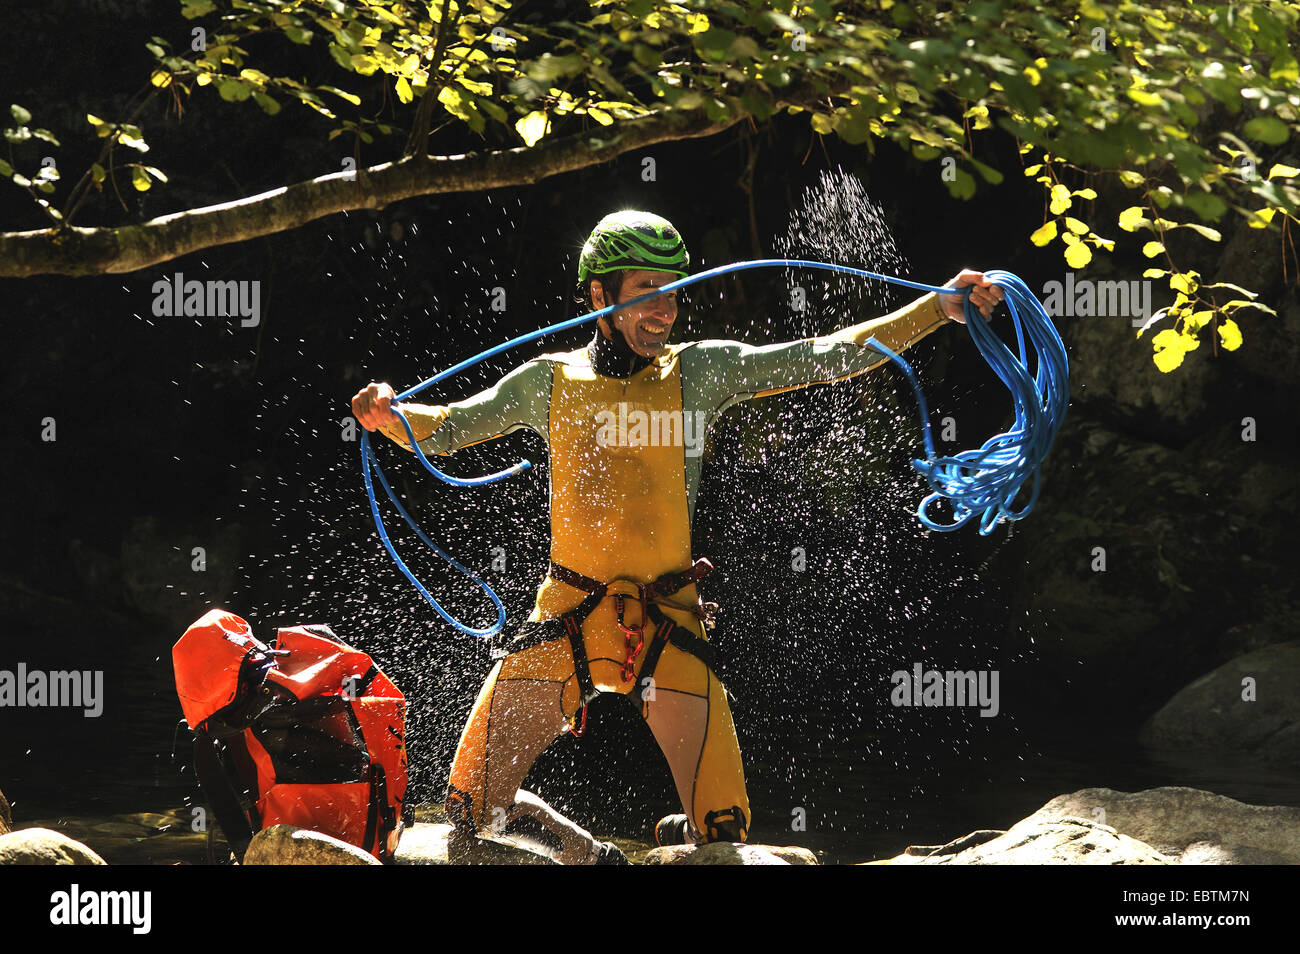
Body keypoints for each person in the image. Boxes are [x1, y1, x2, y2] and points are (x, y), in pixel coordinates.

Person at [351, 210, 1004, 864]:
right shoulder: (547, 381)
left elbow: (826, 357)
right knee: (468, 814)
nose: (665, 310)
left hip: (667, 627)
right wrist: (388, 415)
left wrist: (935, 309)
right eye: (646, 291)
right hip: (567, 623)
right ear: (600, 296)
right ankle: (593, 856)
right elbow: (449, 427)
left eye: (673, 291)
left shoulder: (701, 372)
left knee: (724, 835)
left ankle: (679, 839)